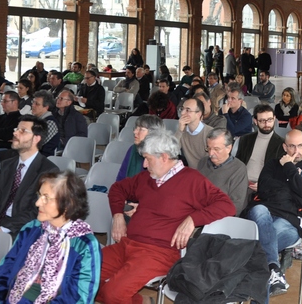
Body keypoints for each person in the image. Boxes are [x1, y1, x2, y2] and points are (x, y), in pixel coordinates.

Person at [97, 129, 235, 304]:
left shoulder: (192, 180)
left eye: (148, 159)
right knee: (81, 274)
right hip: (127, 245)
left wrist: (193, 219)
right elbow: (118, 189)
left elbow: (227, 205)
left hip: (158, 253)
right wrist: (117, 215)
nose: (145, 164)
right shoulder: (147, 178)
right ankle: (140, 301)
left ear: (163, 157)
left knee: (113, 293)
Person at [0, 171, 101, 304]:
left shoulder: (84, 245)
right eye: (39, 196)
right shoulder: (31, 229)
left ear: (68, 204)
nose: (38, 203)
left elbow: (79, 298)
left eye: (46, 198)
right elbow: (4, 272)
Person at [244, 128, 302, 296]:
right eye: (292, 146)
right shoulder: (272, 165)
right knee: (258, 209)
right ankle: (274, 270)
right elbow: (263, 190)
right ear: (285, 147)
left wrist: (288, 166)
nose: (296, 151)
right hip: (263, 214)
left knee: (256, 247)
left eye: (300, 146)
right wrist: (292, 188)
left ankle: (267, 269)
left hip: (291, 223)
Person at [0, 115, 60, 234]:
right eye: (16, 129)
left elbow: (36, 210)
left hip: (22, 229)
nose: (16, 133)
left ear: (36, 139)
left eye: (23, 131)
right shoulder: (8, 164)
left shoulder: (48, 171)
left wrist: (3, 229)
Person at [236, 104, 286, 195]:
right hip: (243, 183)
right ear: (255, 121)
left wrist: (264, 184)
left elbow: (281, 173)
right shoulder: (245, 139)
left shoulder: (282, 144)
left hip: (267, 187)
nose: (267, 124)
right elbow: (237, 164)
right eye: (262, 121)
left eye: (270, 120)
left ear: (274, 119)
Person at [197, 128, 249, 216]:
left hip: (219, 218)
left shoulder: (238, 169)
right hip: (197, 211)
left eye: (216, 149)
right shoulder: (203, 162)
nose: (210, 153)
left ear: (229, 148)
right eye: (208, 148)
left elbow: (235, 206)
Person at [116, 114, 163, 182]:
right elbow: (120, 178)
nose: (135, 132)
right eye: (136, 128)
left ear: (153, 133)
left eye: (141, 129)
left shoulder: (160, 156)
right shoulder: (132, 149)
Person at [175, 97, 212, 167]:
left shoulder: (210, 133)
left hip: (207, 173)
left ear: (198, 114)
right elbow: (172, 152)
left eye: (188, 110)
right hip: (190, 173)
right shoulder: (182, 131)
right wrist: (179, 131)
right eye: (182, 109)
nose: (182, 113)